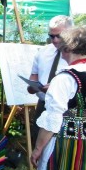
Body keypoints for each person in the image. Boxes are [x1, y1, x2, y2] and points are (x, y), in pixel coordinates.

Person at [30, 26, 86, 170]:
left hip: (67, 144)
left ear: (68, 48)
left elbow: (53, 120)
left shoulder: (65, 78)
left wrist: (37, 149)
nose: (60, 53)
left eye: (61, 48)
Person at [27, 15, 73, 143]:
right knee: (38, 143)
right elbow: (33, 77)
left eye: (60, 36)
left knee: (61, 148)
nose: (55, 40)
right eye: (51, 36)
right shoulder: (42, 52)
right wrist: (32, 87)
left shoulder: (81, 54)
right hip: (43, 105)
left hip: (69, 109)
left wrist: (55, 89)